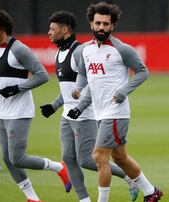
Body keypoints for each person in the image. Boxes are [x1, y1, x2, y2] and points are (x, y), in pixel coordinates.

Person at [0, 9, 71, 202]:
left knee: (18, 159)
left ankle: (59, 167)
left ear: (3, 29)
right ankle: (32, 198)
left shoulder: (19, 49)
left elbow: (42, 75)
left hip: (20, 111)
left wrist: (17, 88)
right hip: (3, 112)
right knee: (7, 159)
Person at [67, 2, 163, 202]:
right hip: (100, 113)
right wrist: (79, 94)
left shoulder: (122, 49)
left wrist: (123, 91)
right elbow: (86, 77)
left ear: (112, 26)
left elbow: (143, 71)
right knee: (120, 158)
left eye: (106, 24)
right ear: (91, 24)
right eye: (98, 23)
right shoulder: (86, 50)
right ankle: (151, 192)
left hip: (116, 113)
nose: (101, 27)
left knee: (99, 157)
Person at [40, 11, 139, 202]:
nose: (49, 33)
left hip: (85, 114)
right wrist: (55, 105)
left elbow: (90, 82)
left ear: (65, 29)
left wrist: (79, 103)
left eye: (52, 29)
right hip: (67, 115)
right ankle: (84, 200)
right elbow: (70, 88)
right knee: (68, 159)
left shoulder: (80, 51)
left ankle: (130, 178)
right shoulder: (59, 53)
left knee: (87, 160)